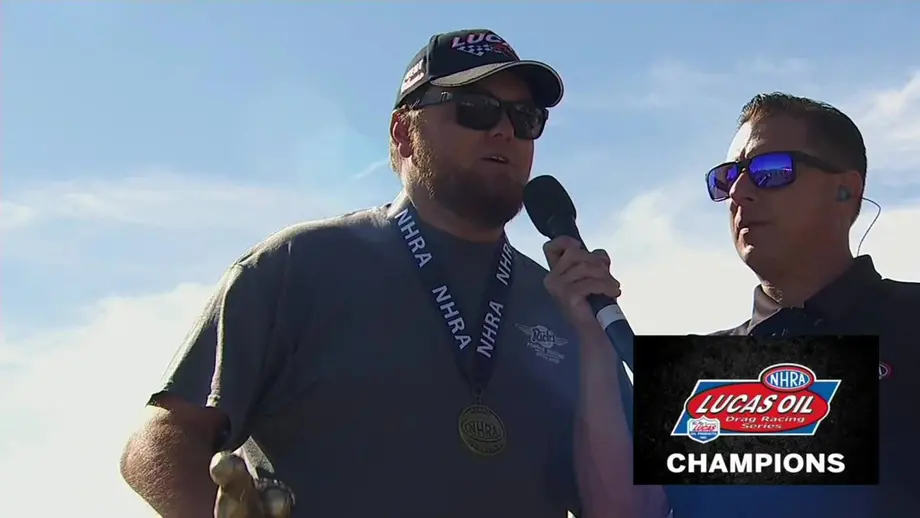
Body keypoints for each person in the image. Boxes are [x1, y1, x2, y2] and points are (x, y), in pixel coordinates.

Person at [119, 28, 665, 518]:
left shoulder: (568, 307)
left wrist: (594, 342)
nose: (505, 130)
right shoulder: (297, 265)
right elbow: (158, 442)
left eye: (525, 118)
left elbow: (629, 509)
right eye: (475, 109)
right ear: (404, 134)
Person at [663, 92, 920, 517]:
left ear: (846, 190)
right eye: (728, 176)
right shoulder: (694, 370)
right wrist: (591, 339)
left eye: (770, 171)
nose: (739, 192)